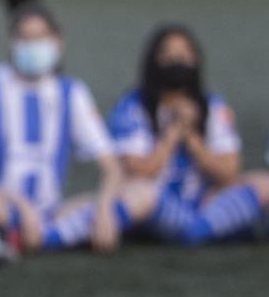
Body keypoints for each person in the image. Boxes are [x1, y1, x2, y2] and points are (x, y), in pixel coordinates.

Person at [0, 3, 120, 262]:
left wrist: (105, 207)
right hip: (1, 204)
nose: (32, 46)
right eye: (25, 39)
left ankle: (23, 238)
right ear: (11, 43)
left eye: (40, 38)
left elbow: (112, 166)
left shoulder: (72, 92)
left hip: (49, 212)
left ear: (58, 41)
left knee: (123, 202)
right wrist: (20, 205)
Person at [111, 25, 269, 246]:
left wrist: (193, 137)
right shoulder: (134, 106)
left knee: (264, 183)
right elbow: (138, 171)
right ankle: (207, 230)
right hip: (157, 206)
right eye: (169, 55)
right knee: (139, 195)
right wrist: (173, 133)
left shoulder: (212, 106)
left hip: (205, 202)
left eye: (184, 55)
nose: (177, 61)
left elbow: (229, 172)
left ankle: (200, 229)